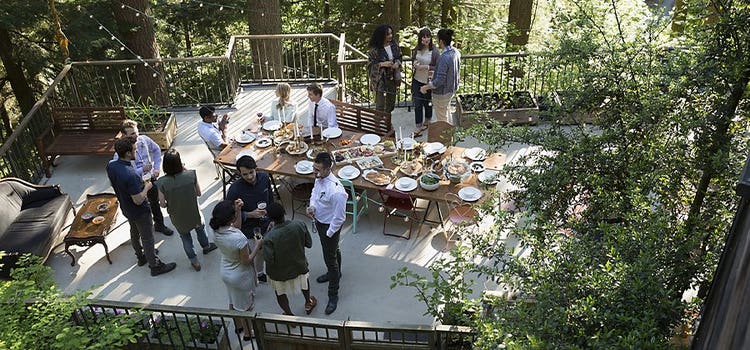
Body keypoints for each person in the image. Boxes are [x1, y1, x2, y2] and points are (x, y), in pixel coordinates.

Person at [106, 138, 176, 276]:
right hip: (140, 211)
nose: (136, 151)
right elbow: (138, 200)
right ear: (127, 153)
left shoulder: (111, 166)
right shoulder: (130, 174)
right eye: (134, 149)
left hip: (126, 207)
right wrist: (147, 187)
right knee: (148, 238)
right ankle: (155, 265)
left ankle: (140, 257)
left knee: (134, 232)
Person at [156, 149, 218, 271]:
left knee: (186, 238)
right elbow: (199, 193)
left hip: (178, 217)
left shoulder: (161, 183)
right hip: (194, 212)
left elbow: (162, 204)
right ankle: (206, 247)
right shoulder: (191, 175)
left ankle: (195, 262)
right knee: (201, 231)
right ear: (180, 162)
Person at [210, 199, 262, 342]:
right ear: (230, 219)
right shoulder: (239, 238)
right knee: (246, 307)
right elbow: (247, 260)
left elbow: (236, 226)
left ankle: (238, 325)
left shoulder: (216, 229)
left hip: (226, 270)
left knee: (233, 300)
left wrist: (238, 211)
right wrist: (257, 245)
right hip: (240, 275)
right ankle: (247, 333)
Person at [114, 119, 174, 236]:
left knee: (155, 202)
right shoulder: (120, 152)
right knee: (142, 208)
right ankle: (147, 232)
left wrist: (156, 167)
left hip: (150, 179)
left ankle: (160, 225)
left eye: (136, 132)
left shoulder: (144, 139)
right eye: (132, 134)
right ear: (124, 135)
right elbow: (124, 173)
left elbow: (156, 150)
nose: (136, 135)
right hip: (135, 183)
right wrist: (142, 170)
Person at [306, 152, 347, 315]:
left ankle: (333, 294)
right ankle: (336, 273)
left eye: (318, 170)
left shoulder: (336, 191)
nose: (315, 173)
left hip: (329, 227)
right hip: (321, 222)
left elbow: (340, 217)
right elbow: (315, 195)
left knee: (330, 259)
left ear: (328, 168)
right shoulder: (319, 179)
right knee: (334, 251)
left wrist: (329, 234)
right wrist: (312, 207)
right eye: (314, 168)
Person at [262, 202, 317, 316]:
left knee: (280, 293)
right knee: (304, 284)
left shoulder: (269, 237)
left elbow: (269, 259)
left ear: (270, 218)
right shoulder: (300, 225)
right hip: (299, 265)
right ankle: (308, 302)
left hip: (279, 273)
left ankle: (288, 314)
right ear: (284, 212)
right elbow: (309, 244)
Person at [226, 155, 273, 283]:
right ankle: (259, 273)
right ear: (239, 173)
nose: (249, 177)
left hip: (266, 224)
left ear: (256, 169)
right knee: (256, 253)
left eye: (251, 172)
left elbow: (270, 199)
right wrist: (249, 214)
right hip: (249, 230)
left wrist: (272, 218)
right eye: (245, 174)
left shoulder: (264, 178)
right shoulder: (234, 189)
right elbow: (228, 215)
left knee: (265, 250)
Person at [420, 29, 461, 124]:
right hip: (451, 89)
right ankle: (450, 135)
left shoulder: (444, 57)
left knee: (442, 119)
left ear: (441, 41)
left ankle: (444, 138)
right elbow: (449, 72)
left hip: (442, 93)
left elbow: (439, 81)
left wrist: (426, 87)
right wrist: (434, 73)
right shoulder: (455, 52)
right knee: (446, 112)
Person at [368, 24, 402, 113]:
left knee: (391, 103)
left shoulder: (394, 46)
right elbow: (370, 64)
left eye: (391, 33)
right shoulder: (374, 50)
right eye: (387, 34)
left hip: (392, 78)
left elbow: (399, 57)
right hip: (380, 79)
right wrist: (383, 64)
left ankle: (387, 123)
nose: (390, 36)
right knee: (380, 104)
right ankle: (379, 124)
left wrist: (397, 64)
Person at [411, 28, 439, 136]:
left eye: (428, 36)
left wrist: (426, 67)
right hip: (417, 80)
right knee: (417, 104)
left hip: (428, 81)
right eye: (424, 36)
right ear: (420, 38)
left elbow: (438, 66)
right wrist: (415, 64)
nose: (426, 39)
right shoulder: (417, 49)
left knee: (427, 103)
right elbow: (413, 59)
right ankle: (418, 126)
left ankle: (427, 120)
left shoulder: (434, 51)